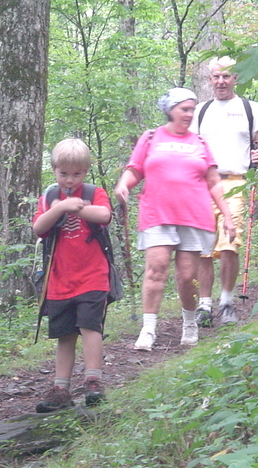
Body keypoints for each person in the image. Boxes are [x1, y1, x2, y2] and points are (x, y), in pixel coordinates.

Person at [114, 88, 235, 351]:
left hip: (194, 215)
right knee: (156, 270)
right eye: (185, 109)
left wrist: (227, 216)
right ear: (170, 110)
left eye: (192, 109)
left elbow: (213, 182)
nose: (190, 114)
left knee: (187, 275)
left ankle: (189, 323)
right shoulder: (150, 138)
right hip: (157, 213)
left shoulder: (200, 143)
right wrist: (124, 185)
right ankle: (148, 329)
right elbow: (135, 170)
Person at [31, 138, 112, 412]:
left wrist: (78, 206)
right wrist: (61, 207)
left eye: (76, 173)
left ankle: (93, 381)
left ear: (85, 172)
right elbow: (39, 228)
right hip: (59, 280)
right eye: (63, 173)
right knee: (65, 335)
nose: (69, 179)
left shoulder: (94, 191)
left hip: (93, 276)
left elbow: (104, 215)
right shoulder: (50, 198)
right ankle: (60, 388)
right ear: (54, 170)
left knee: (91, 327)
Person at [190, 56, 258, 327]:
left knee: (229, 243)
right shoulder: (200, 111)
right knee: (202, 247)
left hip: (236, 181)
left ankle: (226, 302)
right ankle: (204, 306)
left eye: (226, 76)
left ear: (236, 78)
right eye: (216, 77)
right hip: (202, 184)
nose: (221, 81)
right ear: (210, 79)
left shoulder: (250, 108)